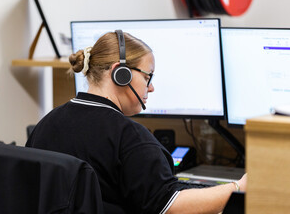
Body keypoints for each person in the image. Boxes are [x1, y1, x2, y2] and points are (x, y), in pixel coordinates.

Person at [26, 30, 247, 214]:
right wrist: (238, 187)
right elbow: (167, 205)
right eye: (147, 77)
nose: (151, 87)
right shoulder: (129, 136)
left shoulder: (47, 123)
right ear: (120, 74)